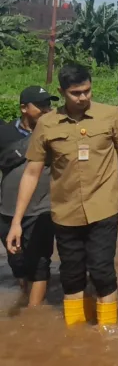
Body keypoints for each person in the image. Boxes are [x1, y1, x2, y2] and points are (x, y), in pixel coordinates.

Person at [6, 64, 118, 327]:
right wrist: (17, 221)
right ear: (62, 92)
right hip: (65, 212)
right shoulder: (47, 124)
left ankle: (106, 334)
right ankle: (75, 335)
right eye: (75, 93)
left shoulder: (109, 115)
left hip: (104, 208)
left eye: (87, 91)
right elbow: (31, 173)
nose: (83, 97)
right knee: (71, 276)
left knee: (102, 272)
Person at [0, 86, 58, 307]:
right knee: (17, 262)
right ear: (24, 108)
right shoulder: (5, 134)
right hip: (7, 208)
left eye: (48, 105)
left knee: (40, 262)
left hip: (42, 208)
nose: (46, 109)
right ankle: (26, 296)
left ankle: (33, 312)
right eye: (41, 105)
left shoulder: (54, 132)